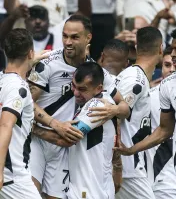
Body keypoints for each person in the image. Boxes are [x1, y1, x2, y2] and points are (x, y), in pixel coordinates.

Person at [28, 14, 129, 199]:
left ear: (88, 38)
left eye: (74, 37)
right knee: (29, 195)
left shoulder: (96, 73)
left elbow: (125, 106)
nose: (67, 42)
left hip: (64, 145)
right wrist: (53, 124)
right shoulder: (47, 64)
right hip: (38, 138)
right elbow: (27, 103)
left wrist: (113, 110)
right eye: (65, 36)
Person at [114, 22, 176, 199]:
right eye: (171, 49)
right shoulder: (168, 86)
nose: (173, 54)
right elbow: (164, 130)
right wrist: (132, 149)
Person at [115, 26, 163, 199]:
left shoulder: (137, 76)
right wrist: (117, 164)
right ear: (161, 49)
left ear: (136, 47)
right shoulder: (135, 79)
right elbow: (114, 115)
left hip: (130, 165)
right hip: (127, 168)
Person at [0, 28, 42, 199]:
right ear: (30, 53)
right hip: (12, 176)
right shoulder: (19, 88)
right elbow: (5, 125)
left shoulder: (2, 79)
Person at [66, 62, 117, 199]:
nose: (76, 93)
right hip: (84, 189)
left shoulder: (99, 105)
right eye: (74, 86)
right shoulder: (87, 102)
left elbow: (67, 137)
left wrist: (37, 127)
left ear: (98, 88)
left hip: (93, 192)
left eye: (82, 89)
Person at [147, 47, 176, 199]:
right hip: (162, 181)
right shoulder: (149, 97)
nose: (171, 70)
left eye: (175, 65)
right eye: (167, 65)